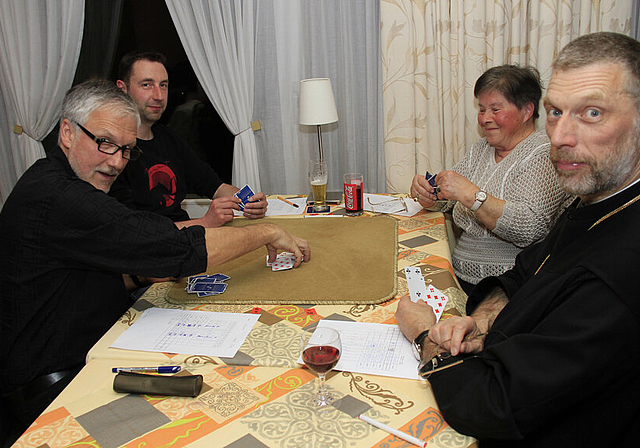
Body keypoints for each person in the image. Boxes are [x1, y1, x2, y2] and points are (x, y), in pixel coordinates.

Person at [0, 80, 310, 446]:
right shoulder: (60, 196)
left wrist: (138, 273)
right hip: (54, 384)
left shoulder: (61, 180)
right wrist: (266, 233)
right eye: (105, 142)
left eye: (126, 150)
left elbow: (88, 274)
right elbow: (173, 249)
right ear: (67, 132)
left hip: (90, 344)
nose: (115, 161)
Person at [396, 32, 640, 447]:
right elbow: (526, 272)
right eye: (556, 112)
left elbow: (492, 405)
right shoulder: (596, 200)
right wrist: (485, 319)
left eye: (592, 113)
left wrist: (424, 337)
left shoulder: (620, 271)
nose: (560, 136)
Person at [410, 65, 572, 295]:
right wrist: (429, 195)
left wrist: (473, 196)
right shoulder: (481, 149)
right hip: (461, 276)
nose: (485, 119)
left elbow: (529, 227)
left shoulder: (544, 154)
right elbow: (449, 199)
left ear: (527, 111)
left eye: (495, 109)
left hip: (506, 288)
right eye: (482, 109)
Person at [110, 50, 267, 228]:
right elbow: (133, 231)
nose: (158, 95)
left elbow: (214, 186)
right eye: (146, 85)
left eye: (163, 85)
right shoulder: (113, 153)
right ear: (122, 88)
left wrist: (250, 202)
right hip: (151, 250)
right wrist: (204, 222)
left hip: (184, 243)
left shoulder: (168, 138)